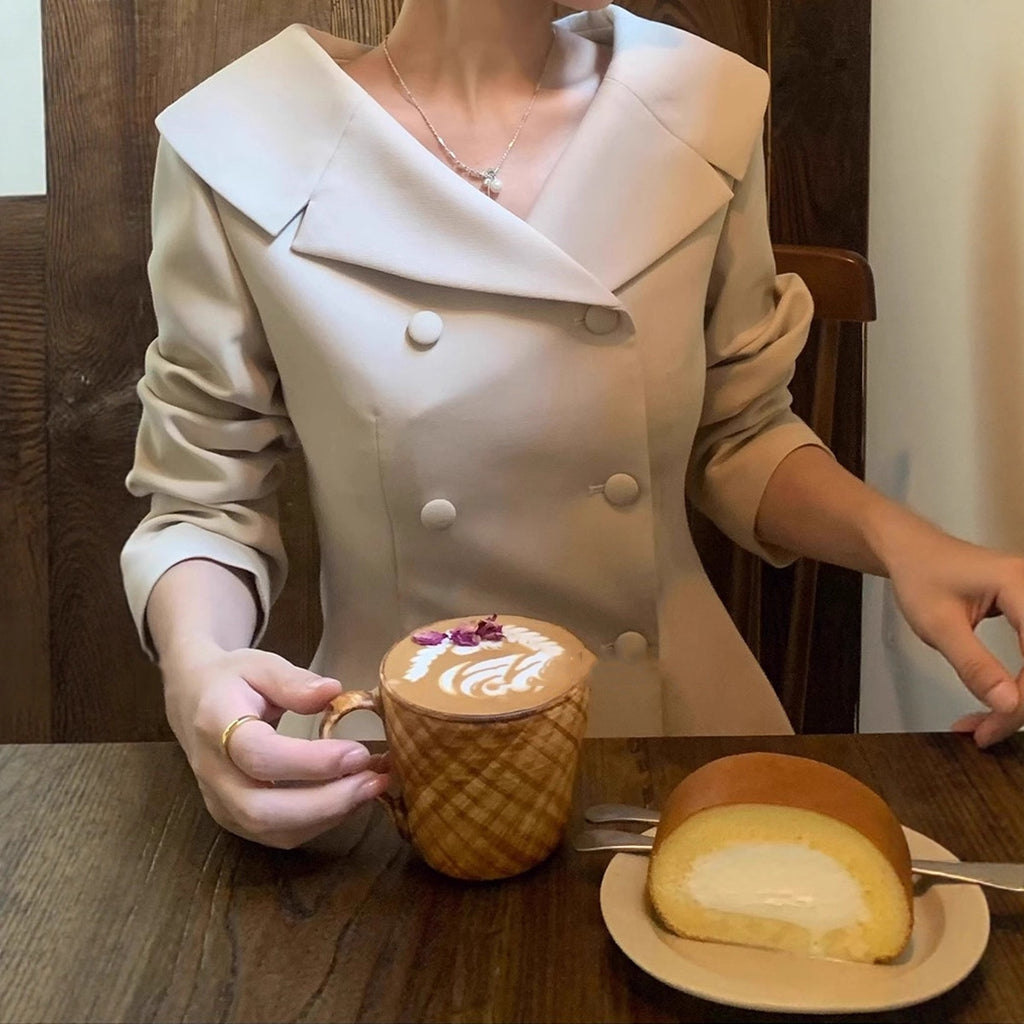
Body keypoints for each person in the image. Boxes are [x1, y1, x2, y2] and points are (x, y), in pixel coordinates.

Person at [121, 0, 1024, 850]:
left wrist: (907, 542)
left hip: (680, 740)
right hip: (398, 756)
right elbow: (204, 502)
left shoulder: (699, 105)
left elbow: (738, 431)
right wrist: (197, 667)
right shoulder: (243, 141)